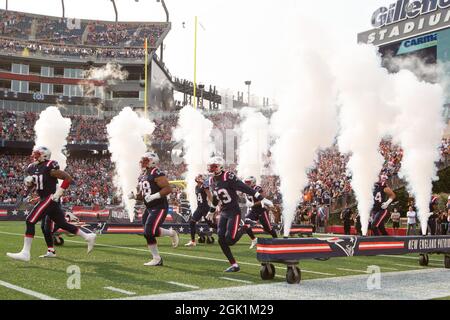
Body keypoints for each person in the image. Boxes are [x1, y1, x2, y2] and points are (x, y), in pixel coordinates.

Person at [7, 146, 96, 262]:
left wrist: (59, 193)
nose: (35, 156)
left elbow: (67, 178)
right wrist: (29, 184)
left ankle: (25, 253)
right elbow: (37, 184)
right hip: (45, 198)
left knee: (30, 221)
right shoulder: (32, 167)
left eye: (37, 154)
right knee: (62, 224)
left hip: (50, 197)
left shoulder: (49, 165)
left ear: (44, 155)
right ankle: (88, 236)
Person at [206, 157, 273, 272]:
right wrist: (211, 211)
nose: (211, 168)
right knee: (221, 240)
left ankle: (246, 226)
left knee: (230, 241)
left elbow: (245, 188)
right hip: (224, 211)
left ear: (220, 166)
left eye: (214, 166)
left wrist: (261, 198)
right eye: (210, 166)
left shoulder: (228, 176)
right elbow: (216, 198)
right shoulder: (212, 180)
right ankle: (234, 265)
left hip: (233, 211)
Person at [129, 152, 179, 266]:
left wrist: (154, 196)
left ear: (152, 161)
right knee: (151, 231)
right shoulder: (143, 174)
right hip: (149, 207)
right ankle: (171, 233)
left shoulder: (156, 172)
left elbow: (168, 189)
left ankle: (157, 259)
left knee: (148, 232)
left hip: (159, 206)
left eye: (145, 160)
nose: (142, 162)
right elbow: (143, 195)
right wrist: (134, 197)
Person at [242, 176, 278, 250]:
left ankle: (277, 240)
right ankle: (254, 239)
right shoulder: (246, 189)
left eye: (248, 182)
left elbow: (262, 199)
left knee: (268, 229)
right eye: (246, 182)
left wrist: (252, 204)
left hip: (261, 210)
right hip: (253, 210)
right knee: (246, 223)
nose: (246, 184)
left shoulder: (257, 188)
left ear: (253, 182)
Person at [185, 174, 216, 247]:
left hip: (205, 208)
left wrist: (215, 205)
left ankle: (224, 230)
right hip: (199, 208)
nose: (197, 178)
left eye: (199, 177)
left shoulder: (204, 186)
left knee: (210, 224)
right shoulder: (196, 186)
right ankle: (193, 241)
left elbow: (209, 196)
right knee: (192, 222)